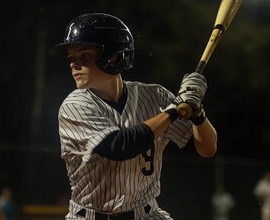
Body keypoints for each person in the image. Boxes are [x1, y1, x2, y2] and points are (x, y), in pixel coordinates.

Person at [49, 13, 217, 220]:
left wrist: (197, 112)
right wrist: (174, 109)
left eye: (84, 55)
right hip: (91, 216)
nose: (73, 64)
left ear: (114, 56)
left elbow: (207, 149)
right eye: (71, 58)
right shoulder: (74, 106)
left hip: (147, 214)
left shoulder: (154, 96)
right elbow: (120, 145)